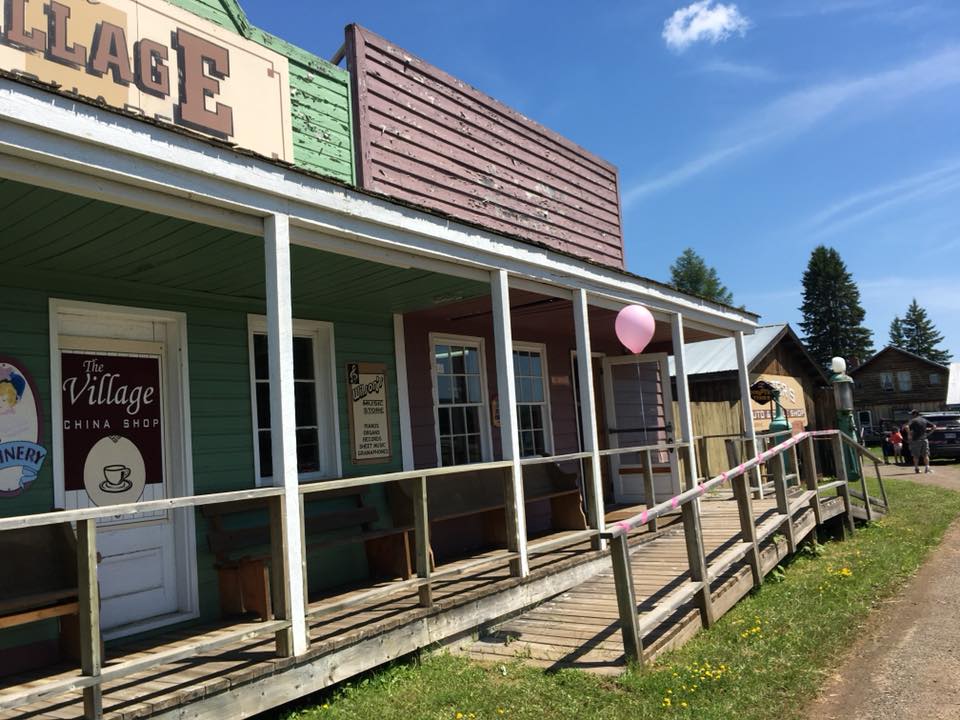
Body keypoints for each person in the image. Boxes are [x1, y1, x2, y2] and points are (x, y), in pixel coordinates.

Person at [907, 410, 937, 474]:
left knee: (916, 455)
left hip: (916, 440)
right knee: (926, 455)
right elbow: (934, 426)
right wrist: (928, 434)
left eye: (912, 414)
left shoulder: (913, 420)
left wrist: (909, 434)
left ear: (915, 414)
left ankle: (916, 468)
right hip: (924, 439)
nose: (911, 416)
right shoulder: (924, 420)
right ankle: (927, 468)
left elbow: (907, 427)